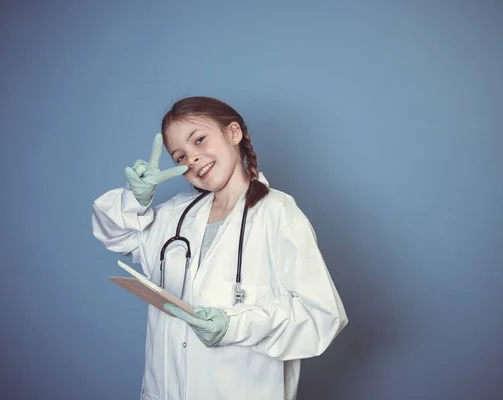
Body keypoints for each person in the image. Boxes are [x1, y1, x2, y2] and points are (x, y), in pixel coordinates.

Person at [92, 96, 348, 400]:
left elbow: (322, 317)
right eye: (180, 157)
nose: (193, 159)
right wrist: (137, 199)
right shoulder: (175, 215)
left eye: (200, 140)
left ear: (233, 133)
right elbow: (116, 235)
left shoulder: (277, 213)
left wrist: (234, 327)